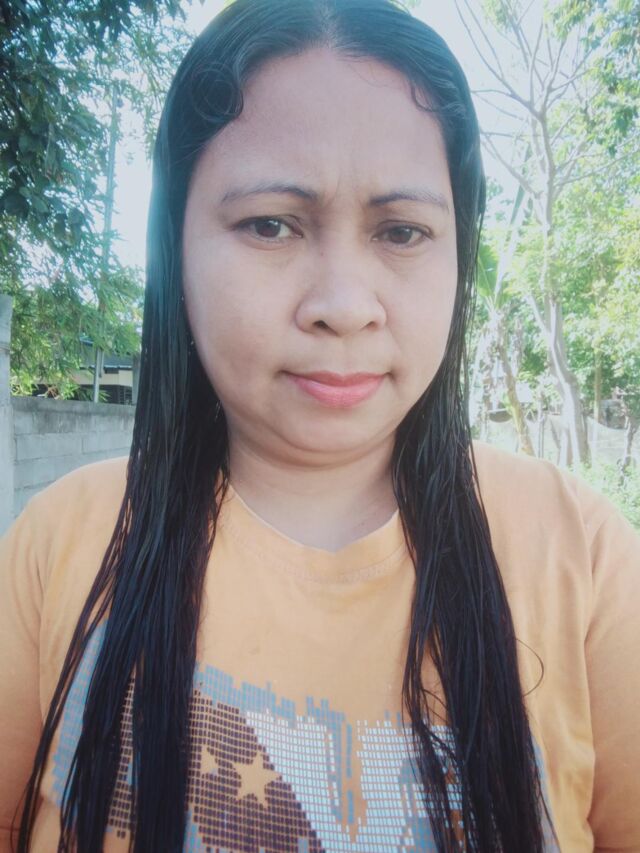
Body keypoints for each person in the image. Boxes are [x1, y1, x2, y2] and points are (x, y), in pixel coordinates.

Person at [1, 0, 638, 850]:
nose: (344, 304)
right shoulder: (61, 542)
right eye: (270, 224)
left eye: (403, 231)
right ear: (175, 247)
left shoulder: (583, 553)